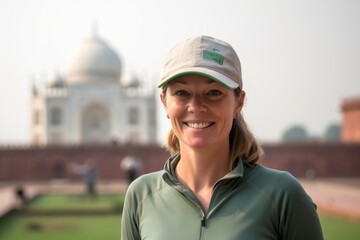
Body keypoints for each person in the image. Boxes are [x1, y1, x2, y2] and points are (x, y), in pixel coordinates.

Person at [121, 35, 323, 239]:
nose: (196, 106)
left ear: (238, 102)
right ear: (164, 102)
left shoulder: (281, 195)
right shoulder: (142, 196)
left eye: (214, 92)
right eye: (182, 92)